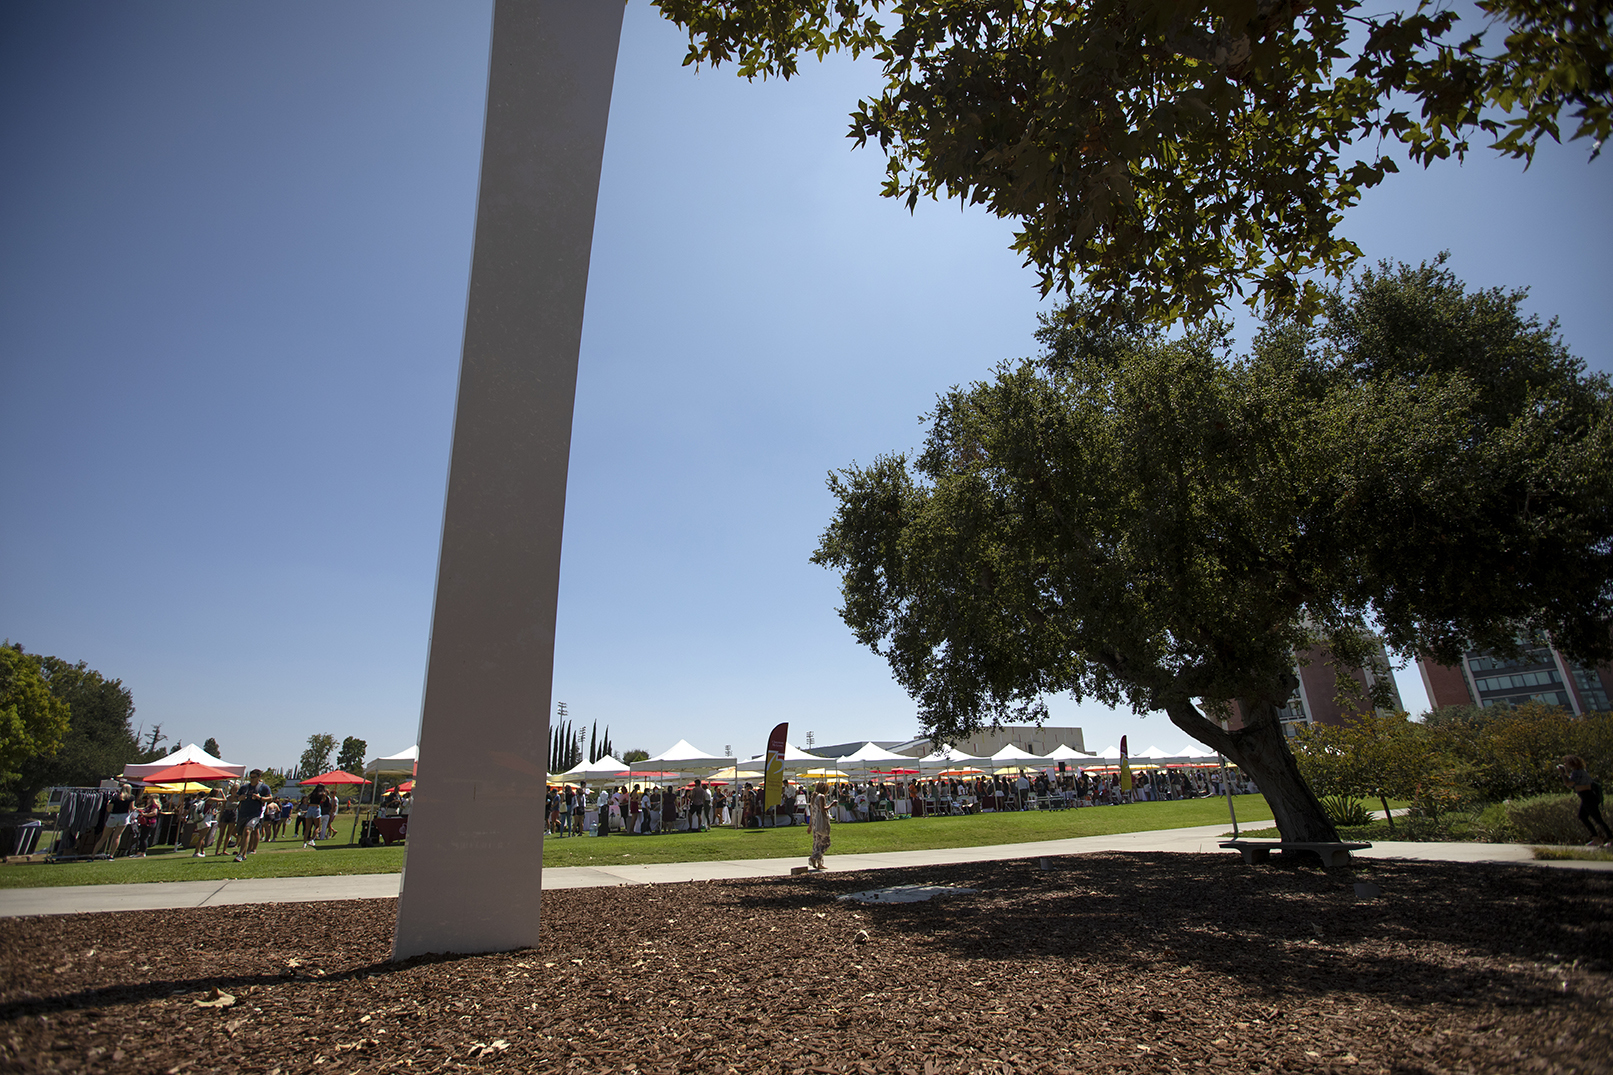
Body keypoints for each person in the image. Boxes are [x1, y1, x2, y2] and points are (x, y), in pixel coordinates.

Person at [1560, 755, 1612, 848]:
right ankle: (1596, 838)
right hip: (1588, 797)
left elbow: (1568, 783)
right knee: (1583, 816)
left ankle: (1611, 839)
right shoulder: (1581, 771)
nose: (1565, 764)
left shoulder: (1576, 773)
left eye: (1566, 762)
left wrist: (1562, 773)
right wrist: (1566, 772)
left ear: (1572, 763)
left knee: (1598, 819)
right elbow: (1572, 779)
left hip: (1587, 797)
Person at [234, 769, 271, 862]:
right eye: (250, 777)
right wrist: (239, 798)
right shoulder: (244, 787)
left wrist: (260, 798)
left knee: (247, 830)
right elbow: (235, 797)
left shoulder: (263, 787)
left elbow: (270, 798)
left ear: (259, 777)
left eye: (254, 777)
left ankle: (240, 854)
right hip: (243, 813)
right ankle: (244, 854)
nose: (252, 779)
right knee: (243, 834)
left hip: (255, 814)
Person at [95, 782, 136, 858]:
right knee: (117, 836)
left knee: (103, 837)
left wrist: (108, 804)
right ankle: (111, 855)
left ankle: (93, 855)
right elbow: (131, 808)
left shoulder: (115, 797)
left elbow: (108, 809)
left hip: (114, 816)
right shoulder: (131, 797)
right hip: (124, 816)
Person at [807, 781, 832, 871]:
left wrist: (810, 825)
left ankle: (819, 863)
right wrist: (831, 805)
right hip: (821, 822)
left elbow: (812, 812)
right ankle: (814, 857)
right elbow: (823, 809)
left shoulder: (813, 798)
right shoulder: (821, 797)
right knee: (826, 843)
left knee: (817, 843)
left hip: (814, 823)